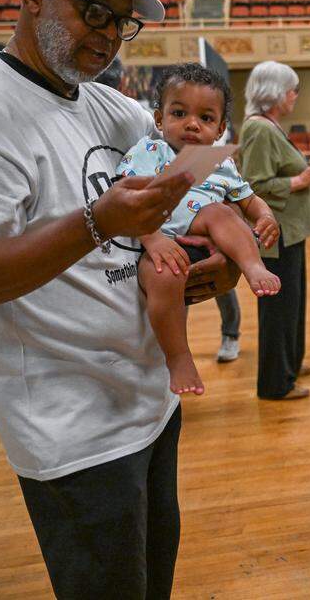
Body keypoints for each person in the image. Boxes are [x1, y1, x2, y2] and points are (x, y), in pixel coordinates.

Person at [0, 0, 239, 598]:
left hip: (148, 404)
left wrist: (212, 262)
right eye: (94, 12)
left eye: (122, 23)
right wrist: (98, 222)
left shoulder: (111, 107)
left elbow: (172, 202)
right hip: (72, 433)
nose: (111, 35)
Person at [116, 63, 281, 395]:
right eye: (179, 113)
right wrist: (153, 238)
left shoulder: (221, 162)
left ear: (220, 129)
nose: (192, 124)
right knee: (163, 277)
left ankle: (253, 265)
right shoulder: (149, 151)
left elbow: (249, 200)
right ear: (159, 119)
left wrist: (266, 217)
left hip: (205, 230)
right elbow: (128, 199)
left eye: (205, 118)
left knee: (221, 212)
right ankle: (179, 358)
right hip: (160, 240)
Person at [239, 61, 310, 400]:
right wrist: (300, 179)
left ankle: (290, 361)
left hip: (289, 232)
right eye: (293, 89)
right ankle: (276, 382)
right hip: (276, 236)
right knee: (279, 310)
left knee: (292, 304)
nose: (295, 95)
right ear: (276, 93)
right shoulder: (260, 129)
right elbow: (254, 184)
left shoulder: (270, 126)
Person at [213, 119, 244, 362]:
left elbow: (239, 195)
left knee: (223, 285)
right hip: (179, 228)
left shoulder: (224, 160)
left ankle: (231, 334)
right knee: (176, 292)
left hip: (217, 226)